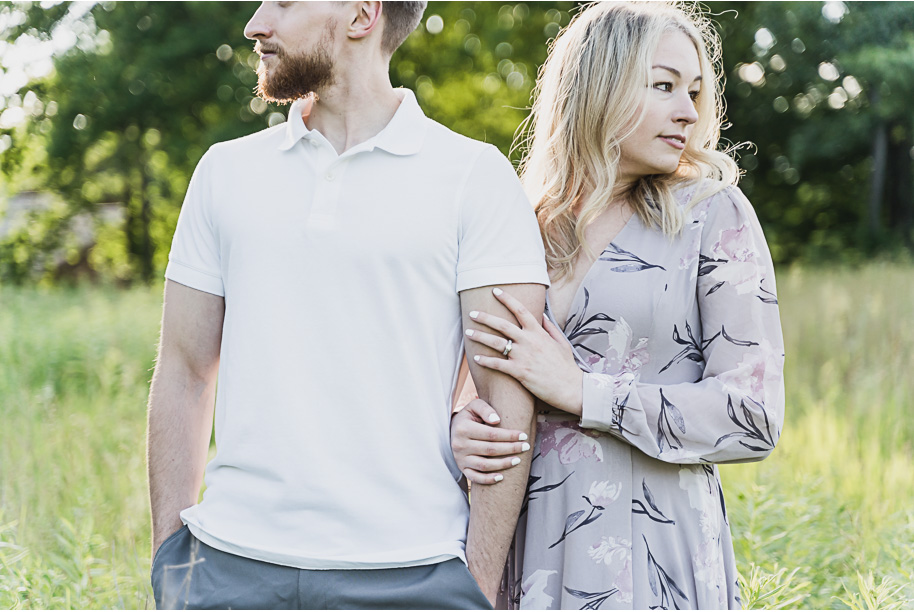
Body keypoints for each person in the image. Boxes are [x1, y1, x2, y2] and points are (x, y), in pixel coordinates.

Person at [146, 2, 549, 609]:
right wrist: (170, 564)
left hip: (411, 576)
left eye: (282, 3)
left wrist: (477, 587)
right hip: (228, 569)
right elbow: (182, 371)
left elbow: (506, 405)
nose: (256, 24)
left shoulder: (476, 179)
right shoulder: (224, 173)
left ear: (362, 15)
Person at [449, 2, 785, 609]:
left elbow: (754, 413)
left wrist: (586, 393)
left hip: (657, 554)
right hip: (533, 553)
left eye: (694, 90)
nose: (688, 111)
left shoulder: (712, 214)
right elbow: (474, 392)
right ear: (598, 85)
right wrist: (464, 430)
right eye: (663, 86)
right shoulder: (521, 227)